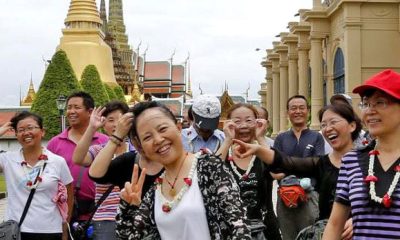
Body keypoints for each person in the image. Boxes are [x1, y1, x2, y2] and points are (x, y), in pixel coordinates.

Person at [116, 101, 251, 239]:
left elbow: (238, 227)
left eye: (162, 129)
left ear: (179, 128)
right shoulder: (155, 191)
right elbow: (130, 236)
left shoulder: (209, 168)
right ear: (141, 146)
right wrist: (129, 206)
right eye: (147, 137)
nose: (158, 140)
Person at [233, 103, 362, 239]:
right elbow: (286, 162)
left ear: (352, 126)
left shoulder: (368, 162)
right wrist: (258, 149)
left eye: (333, 122)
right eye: (323, 125)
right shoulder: (321, 163)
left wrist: (359, 219)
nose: (328, 128)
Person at [323, 69, 400, 239]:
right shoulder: (351, 161)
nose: (370, 111)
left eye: (380, 102)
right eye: (366, 104)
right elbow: (335, 224)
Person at [0, 111, 73, 240]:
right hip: (16, 231)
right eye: (21, 130)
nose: (26, 133)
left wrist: (65, 225)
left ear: (42, 131)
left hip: (50, 230)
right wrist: (2, 130)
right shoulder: (7, 160)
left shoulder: (57, 161)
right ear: (16, 134)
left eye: (30, 128)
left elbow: (70, 195)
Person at [217, 103, 281, 240]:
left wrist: (261, 138)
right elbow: (210, 173)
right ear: (229, 124)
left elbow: (278, 173)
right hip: (232, 230)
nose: (244, 126)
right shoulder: (223, 153)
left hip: (266, 228)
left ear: (257, 123)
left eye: (249, 120)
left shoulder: (263, 151)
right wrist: (228, 140)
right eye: (237, 121)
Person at [47, 91, 108, 225]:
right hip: (63, 212)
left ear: (90, 112)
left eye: (77, 107)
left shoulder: (105, 142)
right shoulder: (55, 143)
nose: (71, 111)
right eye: (69, 107)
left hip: (97, 213)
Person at [72, 100, 129, 240]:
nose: (116, 124)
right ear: (104, 125)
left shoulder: (137, 150)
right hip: (106, 218)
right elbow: (78, 158)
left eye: (121, 119)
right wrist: (91, 128)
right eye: (110, 120)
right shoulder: (99, 150)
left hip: (133, 215)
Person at [273, 95, 325, 240]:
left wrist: (287, 166)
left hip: (309, 194)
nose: (298, 111)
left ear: (308, 111)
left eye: (302, 108)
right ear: (287, 112)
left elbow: (318, 165)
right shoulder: (281, 138)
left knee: (311, 235)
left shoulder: (316, 137)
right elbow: (275, 169)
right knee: (288, 236)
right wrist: (304, 165)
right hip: (285, 195)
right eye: (293, 108)